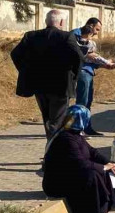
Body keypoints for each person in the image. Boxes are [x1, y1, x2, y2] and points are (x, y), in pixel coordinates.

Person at [11, 9, 83, 140]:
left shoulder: (31, 36)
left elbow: (15, 54)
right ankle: (53, 154)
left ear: (46, 21)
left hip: (39, 86)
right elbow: (79, 58)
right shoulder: (66, 37)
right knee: (57, 122)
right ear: (61, 21)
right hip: (60, 86)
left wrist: (25, 71)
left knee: (48, 119)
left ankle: (51, 151)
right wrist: (74, 78)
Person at [42, 105, 115, 213]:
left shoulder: (75, 134)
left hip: (72, 175)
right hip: (57, 183)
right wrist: (103, 167)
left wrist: (110, 164)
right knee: (91, 175)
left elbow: (93, 152)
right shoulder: (65, 138)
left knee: (101, 171)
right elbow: (80, 163)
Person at [74, 25, 115, 136]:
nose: (97, 33)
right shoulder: (77, 37)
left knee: (87, 102)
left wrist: (104, 65)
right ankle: (78, 129)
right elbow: (91, 56)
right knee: (82, 103)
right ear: (91, 27)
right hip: (82, 73)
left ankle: (86, 127)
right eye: (96, 30)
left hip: (89, 72)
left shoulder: (87, 40)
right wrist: (106, 62)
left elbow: (92, 60)